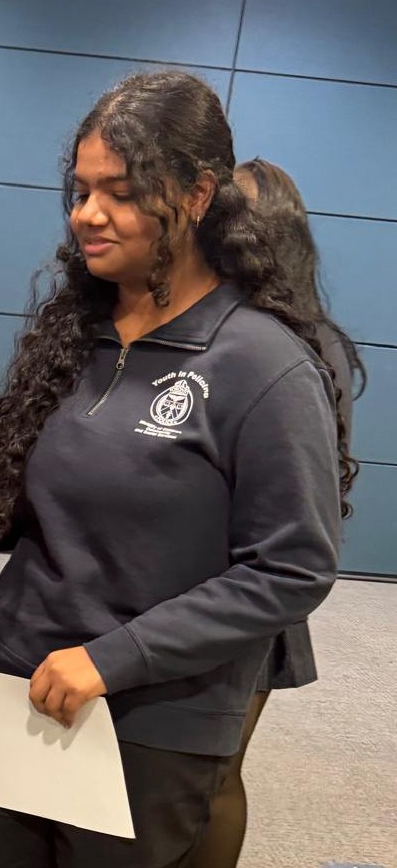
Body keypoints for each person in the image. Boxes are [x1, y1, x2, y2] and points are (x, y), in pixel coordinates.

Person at [0, 71, 352, 868]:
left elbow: (291, 566)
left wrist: (111, 657)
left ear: (196, 195)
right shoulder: (78, 330)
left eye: (121, 193)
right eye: (81, 189)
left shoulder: (262, 365)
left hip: (148, 722)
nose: (86, 213)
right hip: (15, 684)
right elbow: (55, 498)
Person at [189, 157, 364, 868]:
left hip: (252, 585)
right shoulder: (197, 322)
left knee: (214, 772)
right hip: (175, 576)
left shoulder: (305, 347)